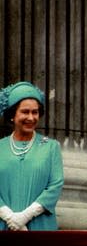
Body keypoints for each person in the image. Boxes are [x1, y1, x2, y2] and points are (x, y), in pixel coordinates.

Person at [0, 81, 64, 231]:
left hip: (40, 227)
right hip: (3, 225)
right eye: (25, 112)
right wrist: (10, 217)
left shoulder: (51, 147)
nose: (31, 117)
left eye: (35, 112)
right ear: (12, 115)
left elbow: (55, 185)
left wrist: (25, 216)